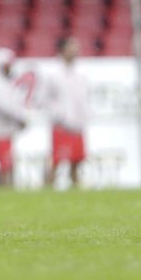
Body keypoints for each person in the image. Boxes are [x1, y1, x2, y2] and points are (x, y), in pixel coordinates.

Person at [45, 36, 88, 188]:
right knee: (57, 160)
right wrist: (59, 115)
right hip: (61, 125)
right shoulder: (53, 73)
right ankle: (47, 187)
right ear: (63, 50)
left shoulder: (80, 73)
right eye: (72, 47)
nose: (76, 50)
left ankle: (76, 188)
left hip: (77, 124)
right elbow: (46, 98)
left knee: (76, 161)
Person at [0, 47, 28, 186]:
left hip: (6, 132)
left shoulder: (6, 83)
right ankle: (1, 190)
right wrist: (20, 118)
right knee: (0, 168)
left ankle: (8, 189)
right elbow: (4, 107)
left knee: (8, 166)